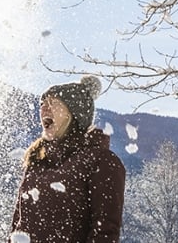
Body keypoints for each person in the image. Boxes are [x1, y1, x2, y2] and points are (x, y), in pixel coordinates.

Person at [11, 76, 125, 243]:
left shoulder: (100, 161)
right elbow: (17, 226)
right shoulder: (37, 161)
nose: (44, 108)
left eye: (53, 103)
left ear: (74, 113)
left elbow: (105, 232)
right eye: (43, 104)